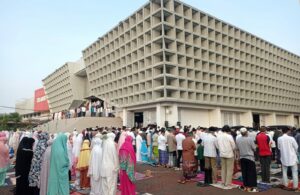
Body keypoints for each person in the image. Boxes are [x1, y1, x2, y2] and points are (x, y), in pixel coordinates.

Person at [236, 128, 258, 192]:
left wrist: (238, 158)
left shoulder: (238, 140)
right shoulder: (250, 139)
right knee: (251, 172)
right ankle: (251, 184)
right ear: (246, 132)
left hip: (242, 157)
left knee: (244, 171)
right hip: (249, 158)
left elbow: (237, 149)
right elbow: (254, 148)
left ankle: (245, 184)